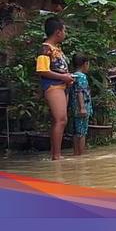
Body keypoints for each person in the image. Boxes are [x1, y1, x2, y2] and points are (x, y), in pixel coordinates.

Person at [36, 17, 74, 160]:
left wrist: (67, 77)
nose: (65, 33)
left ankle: (56, 154)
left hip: (62, 86)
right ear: (58, 32)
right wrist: (64, 77)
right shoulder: (45, 48)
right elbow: (42, 70)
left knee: (61, 119)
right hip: (54, 86)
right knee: (60, 120)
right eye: (64, 30)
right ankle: (56, 156)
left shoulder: (56, 49)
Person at [69, 54, 93, 156]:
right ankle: (81, 155)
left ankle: (76, 153)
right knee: (82, 133)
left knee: (76, 132)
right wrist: (82, 108)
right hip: (82, 107)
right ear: (85, 64)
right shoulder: (82, 77)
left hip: (74, 107)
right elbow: (80, 92)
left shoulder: (73, 76)